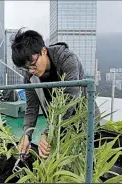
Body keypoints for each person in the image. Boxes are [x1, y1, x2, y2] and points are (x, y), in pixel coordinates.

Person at [11, 28, 100, 159]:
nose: (31, 70)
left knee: (88, 161)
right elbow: (31, 108)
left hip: (84, 118)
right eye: (26, 68)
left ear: (43, 51)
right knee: (60, 161)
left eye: (33, 64)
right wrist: (27, 134)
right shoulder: (29, 77)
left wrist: (47, 132)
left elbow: (70, 100)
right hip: (58, 124)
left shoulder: (67, 59)